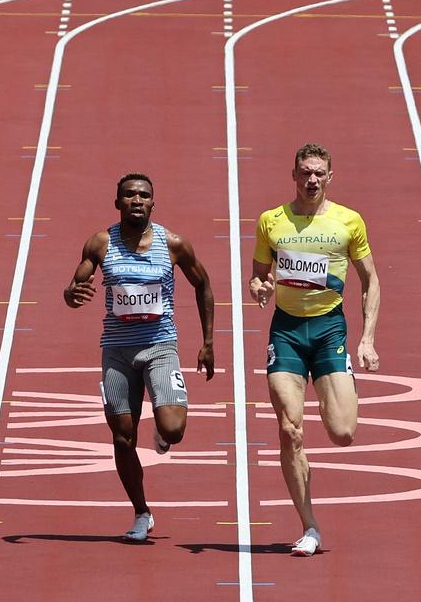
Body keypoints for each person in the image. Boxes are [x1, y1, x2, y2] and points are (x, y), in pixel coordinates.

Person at [63, 173, 215, 543]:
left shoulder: (173, 244)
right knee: (121, 438)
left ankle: (161, 432)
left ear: (152, 203)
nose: (136, 200)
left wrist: (208, 341)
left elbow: (204, 286)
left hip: (160, 346)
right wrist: (71, 294)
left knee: (174, 430)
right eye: (128, 195)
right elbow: (76, 283)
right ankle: (141, 512)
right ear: (117, 203)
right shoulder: (100, 243)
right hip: (116, 350)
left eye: (143, 195)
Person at [247, 143, 381, 557]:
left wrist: (367, 338)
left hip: (329, 330)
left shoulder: (348, 222)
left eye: (319, 173)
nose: (311, 180)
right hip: (286, 331)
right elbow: (256, 276)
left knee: (342, 433)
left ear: (329, 177)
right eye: (305, 172)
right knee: (290, 430)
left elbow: (371, 281)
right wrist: (259, 288)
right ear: (293, 175)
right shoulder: (271, 221)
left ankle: (334, 393)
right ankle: (309, 525)